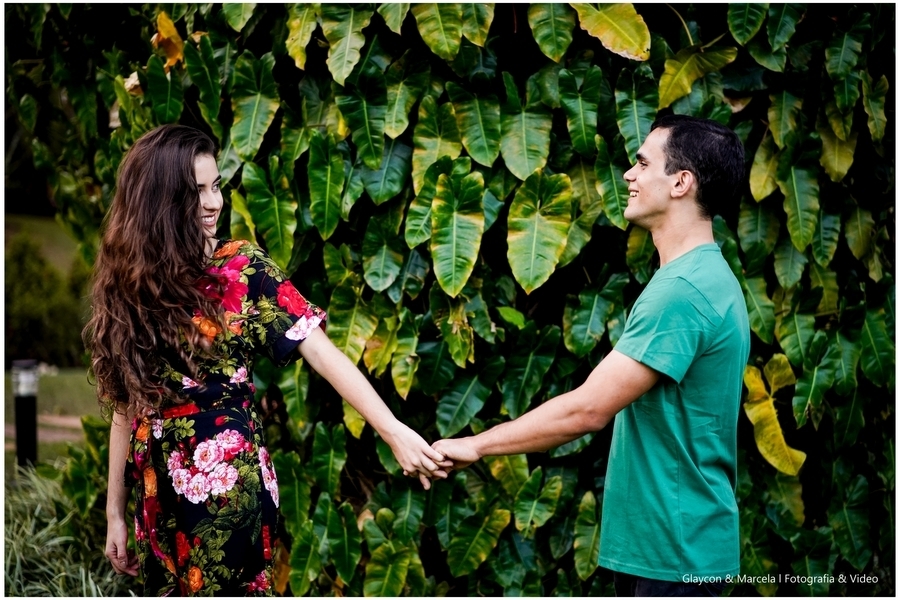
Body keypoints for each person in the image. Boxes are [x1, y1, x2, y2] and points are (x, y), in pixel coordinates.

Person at [84, 125, 450, 596]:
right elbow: (125, 402)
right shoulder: (132, 284)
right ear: (159, 201)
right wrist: (115, 511)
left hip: (227, 488)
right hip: (157, 492)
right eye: (197, 191)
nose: (215, 202)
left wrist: (393, 430)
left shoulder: (243, 270)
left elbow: (322, 352)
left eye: (216, 186)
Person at [433, 115, 750, 597]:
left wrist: (476, 446)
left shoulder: (684, 291)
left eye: (644, 163)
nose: (630, 174)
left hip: (674, 555)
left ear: (682, 182)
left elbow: (588, 409)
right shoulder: (705, 276)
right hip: (678, 547)